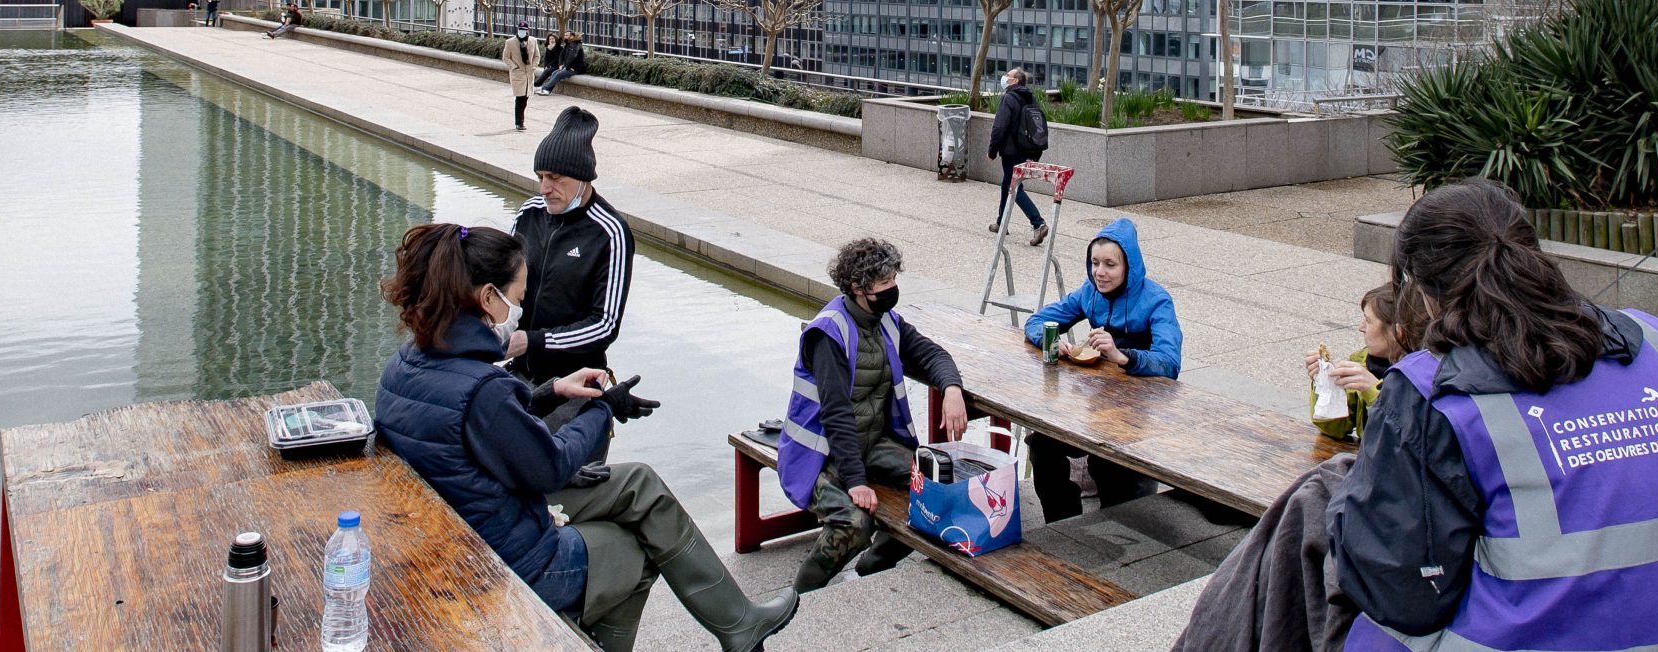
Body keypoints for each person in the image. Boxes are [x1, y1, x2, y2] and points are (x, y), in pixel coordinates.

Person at [1327, 179, 1658, 650]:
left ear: (1425, 293)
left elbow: (1403, 593)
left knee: (1334, 577)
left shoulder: (1433, 392)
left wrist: (1344, 505)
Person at [372, 223, 796, 652]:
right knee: (632, 550)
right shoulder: (483, 390)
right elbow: (549, 465)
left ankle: (739, 625)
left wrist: (551, 392)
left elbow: (472, 426)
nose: (519, 310)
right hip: (502, 558)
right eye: (516, 299)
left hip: (464, 526)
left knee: (638, 484)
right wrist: (602, 408)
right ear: (487, 298)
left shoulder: (406, 363)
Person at [780, 238, 971, 592]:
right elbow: (836, 414)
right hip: (819, 456)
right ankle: (797, 597)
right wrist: (855, 482)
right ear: (858, 289)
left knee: (938, 487)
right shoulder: (828, 333)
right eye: (885, 285)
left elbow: (933, 355)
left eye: (894, 281)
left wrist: (952, 389)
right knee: (853, 525)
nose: (893, 290)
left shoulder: (887, 322)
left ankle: (873, 567)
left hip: (872, 443)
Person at [1018, 218, 1177, 522]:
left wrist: (1122, 356)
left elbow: (1170, 363)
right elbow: (1037, 321)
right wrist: (1053, 341)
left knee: (1109, 464)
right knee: (1041, 443)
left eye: (1110, 265)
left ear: (1129, 266)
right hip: (1098, 404)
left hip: (1141, 411)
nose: (1100, 272)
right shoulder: (1089, 293)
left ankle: (1118, 524)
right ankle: (1063, 521)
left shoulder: (1157, 300)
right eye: (1094, 263)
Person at [508, 106, 634, 389]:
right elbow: (501, 283)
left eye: (555, 178)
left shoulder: (610, 232)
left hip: (574, 383)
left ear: (582, 177)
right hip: (519, 376)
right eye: (540, 177)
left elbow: (605, 325)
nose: (544, 188)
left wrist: (535, 341)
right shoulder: (528, 213)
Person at [1302, 283, 1428, 443]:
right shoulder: (1363, 360)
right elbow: (1336, 428)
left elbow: (1409, 442)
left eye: (1368, 321)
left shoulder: (1423, 377)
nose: (1361, 328)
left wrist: (1376, 392)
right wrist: (1325, 384)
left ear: (1398, 334)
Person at [985, 67, 1050, 247]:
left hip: (1011, 151)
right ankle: (1001, 223)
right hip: (1028, 150)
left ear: (1015, 81)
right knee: (1008, 184)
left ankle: (1038, 223)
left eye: (1008, 75)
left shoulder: (1008, 98)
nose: (1004, 77)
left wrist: (992, 151)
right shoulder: (1031, 98)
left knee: (1014, 187)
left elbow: (999, 128)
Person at [501, 22, 544, 131]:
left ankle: (520, 121)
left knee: (525, 98)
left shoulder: (533, 41)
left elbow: (537, 56)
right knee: (520, 98)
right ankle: (519, 122)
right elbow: (506, 57)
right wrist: (514, 67)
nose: (522, 31)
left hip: (529, 73)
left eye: (524, 29)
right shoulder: (510, 42)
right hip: (518, 74)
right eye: (520, 29)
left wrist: (534, 66)